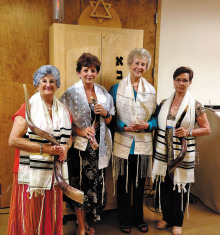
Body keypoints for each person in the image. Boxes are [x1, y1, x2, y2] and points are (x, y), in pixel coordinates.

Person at [7, 65, 73, 235]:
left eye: (52, 81)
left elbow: (70, 136)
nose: (48, 84)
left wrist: (65, 147)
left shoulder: (63, 110)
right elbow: (13, 140)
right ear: (37, 84)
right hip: (30, 174)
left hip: (54, 173)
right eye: (44, 81)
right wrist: (45, 149)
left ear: (57, 85)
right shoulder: (28, 108)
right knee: (30, 215)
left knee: (51, 213)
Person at [60, 53, 115, 235]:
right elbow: (63, 125)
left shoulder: (103, 93)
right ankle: (81, 226)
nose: (89, 74)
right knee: (79, 186)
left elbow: (110, 121)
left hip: (98, 148)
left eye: (93, 70)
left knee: (95, 187)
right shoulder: (69, 94)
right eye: (85, 70)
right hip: (79, 149)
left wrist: (105, 113)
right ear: (79, 72)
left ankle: (86, 221)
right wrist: (79, 131)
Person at [152, 66, 211, 235]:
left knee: (181, 187)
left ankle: (177, 222)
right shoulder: (165, 103)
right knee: (164, 185)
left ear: (190, 82)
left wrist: (189, 132)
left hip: (182, 152)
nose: (181, 83)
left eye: (185, 80)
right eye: (178, 79)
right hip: (164, 151)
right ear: (173, 81)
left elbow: (207, 129)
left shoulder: (196, 105)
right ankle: (166, 218)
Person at [109, 48, 157, 234]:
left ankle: (138, 218)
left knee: (139, 185)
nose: (139, 67)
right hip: (123, 143)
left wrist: (148, 125)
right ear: (129, 64)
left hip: (143, 144)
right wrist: (123, 126)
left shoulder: (151, 90)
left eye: (143, 64)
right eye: (136, 63)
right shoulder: (116, 89)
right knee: (123, 184)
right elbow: (110, 117)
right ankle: (124, 220)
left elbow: (155, 117)